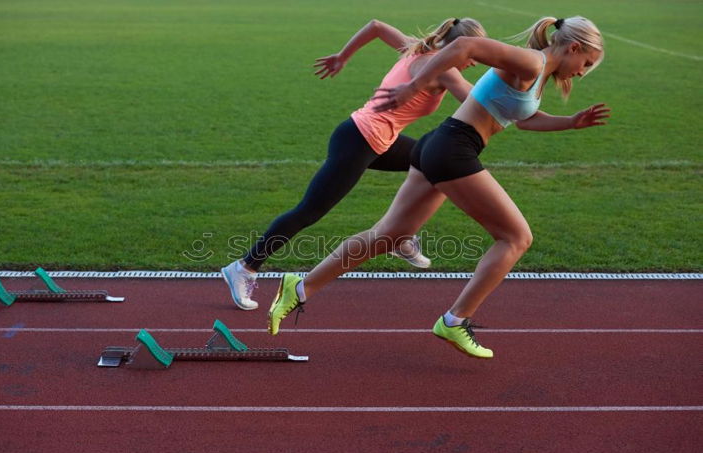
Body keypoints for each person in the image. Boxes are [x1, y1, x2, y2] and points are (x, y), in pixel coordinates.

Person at [267, 16, 610, 359]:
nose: (582, 72)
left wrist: (571, 122)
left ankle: (301, 286)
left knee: (388, 234)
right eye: (586, 63)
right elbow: (464, 46)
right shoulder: (532, 61)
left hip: (441, 144)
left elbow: (524, 120)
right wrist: (414, 86)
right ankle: (455, 320)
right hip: (454, 149)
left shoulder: (536, 73)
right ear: (573, 47)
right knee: (516, 237)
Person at [221, 17, 487, 310]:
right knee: (309, 211)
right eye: (473, 55)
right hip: (359, 141)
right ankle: (244, 267)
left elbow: (376, 26)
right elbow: (480, 102)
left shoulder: (417, 49)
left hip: (375, 139)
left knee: (431, 163)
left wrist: (342, 57)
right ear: (460, 47)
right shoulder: (443, 70)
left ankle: (400, 234)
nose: (474, 62)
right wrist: (518, 83)